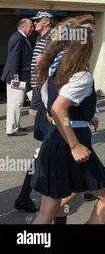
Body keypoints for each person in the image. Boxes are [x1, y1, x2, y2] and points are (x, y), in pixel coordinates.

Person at [31, 18, 105, 224]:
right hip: (70, 142)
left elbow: (50, 108)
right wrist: (75, 145)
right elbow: (58, 108)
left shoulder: (53, 67)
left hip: (54, 139)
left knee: (50, 207)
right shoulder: (82, 75)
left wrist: (85, 116)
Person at [13, 11, 54, 213]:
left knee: (58, 147)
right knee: (50, 148)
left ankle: (92, 186)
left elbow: (49, 71)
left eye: (38, 21)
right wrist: (36, 101)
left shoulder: (51, 40)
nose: (35, 23)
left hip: (47, 98)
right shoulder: (43, 39)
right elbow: (41, 73)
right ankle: (24, 195)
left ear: (46, 22)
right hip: (45, 99)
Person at [1, 18, 34, 136]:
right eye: (31, 26)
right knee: (16, 103)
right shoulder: (18, 38)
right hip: (16, 77)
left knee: (16, 103)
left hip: (18, 75)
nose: (32, 29)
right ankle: (13, 129)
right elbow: (14, 58)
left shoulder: (21, 38)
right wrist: (16, 77)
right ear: (23, 26)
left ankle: (15, 126)